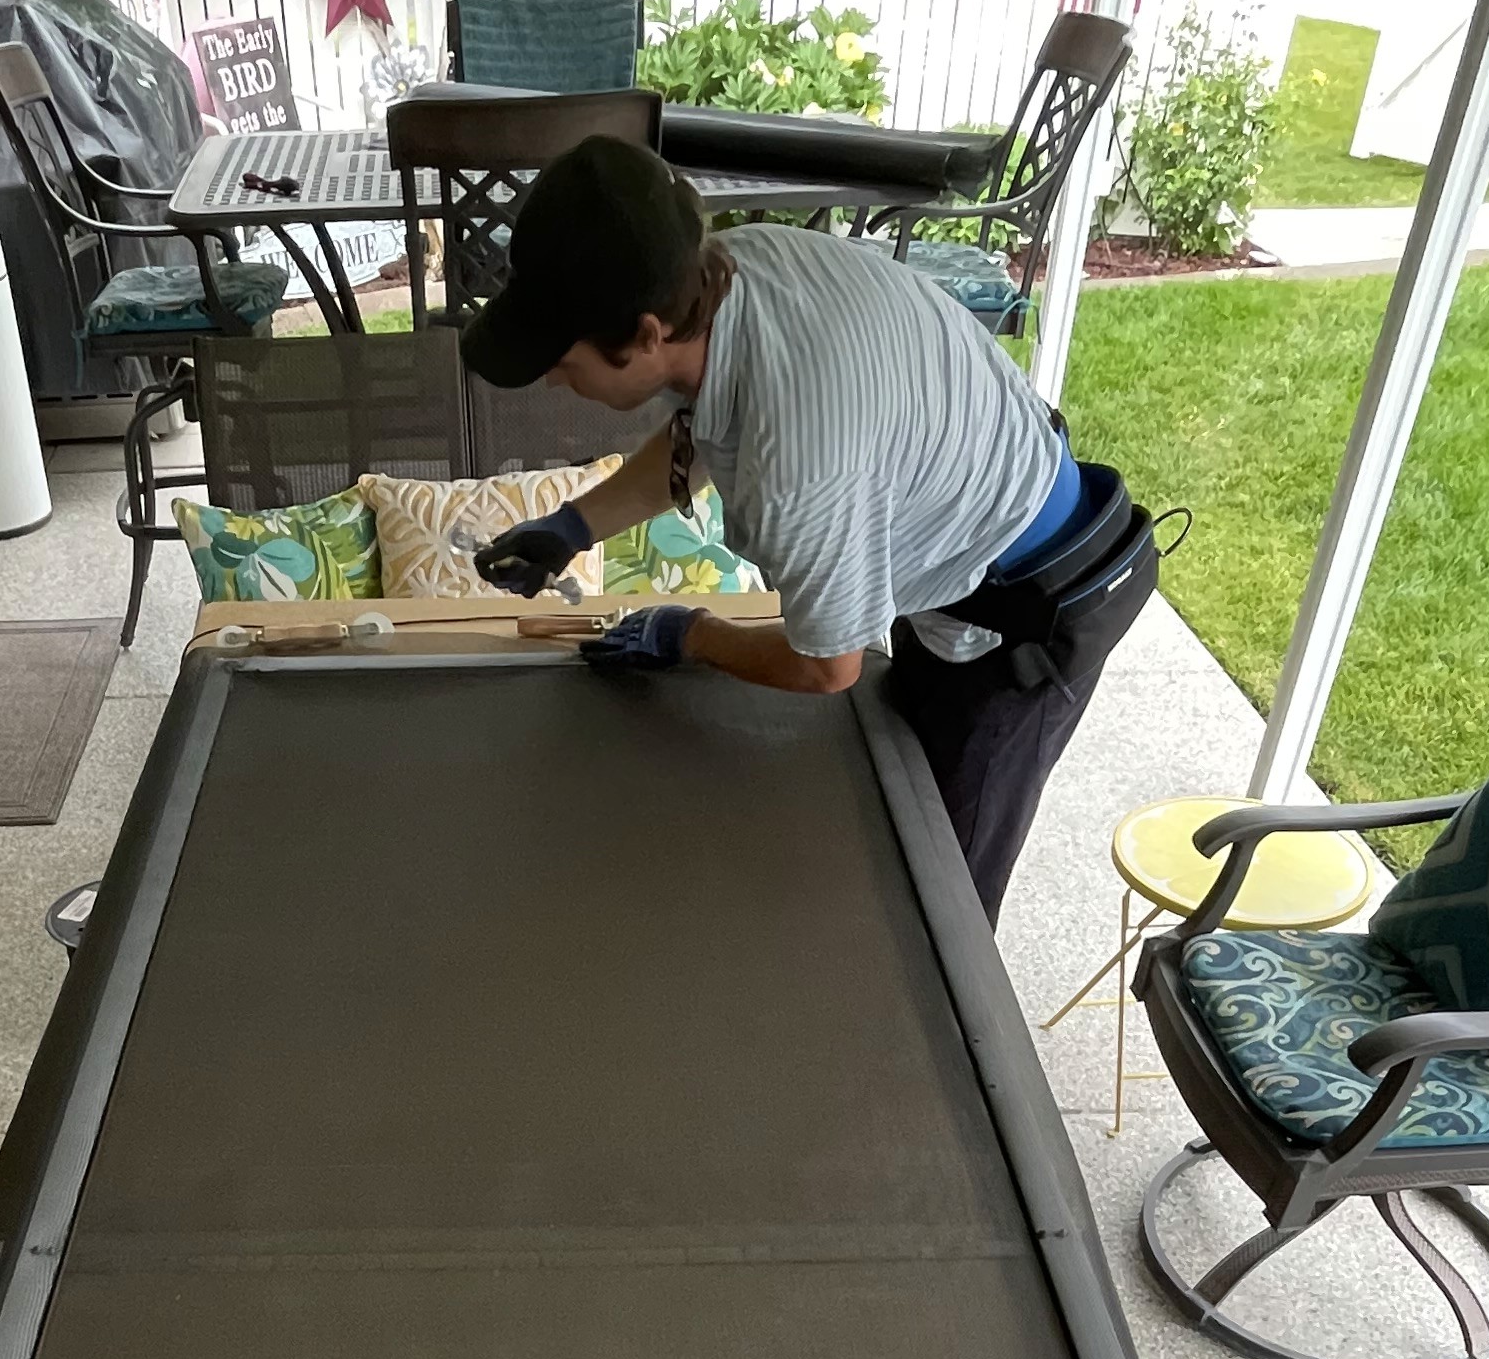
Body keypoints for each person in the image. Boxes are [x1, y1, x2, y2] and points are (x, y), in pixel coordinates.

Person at [462, 136, 1128, 914]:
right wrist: (574, 527)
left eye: (562, 358)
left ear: (646, 335)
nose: (549, 374)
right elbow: (702, 432)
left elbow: (826, 667)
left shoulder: (802, 467)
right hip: (962, 522)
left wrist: (692, 634)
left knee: (938, 905)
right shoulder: (732, 268)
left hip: (1020, 624)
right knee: (885, 821)